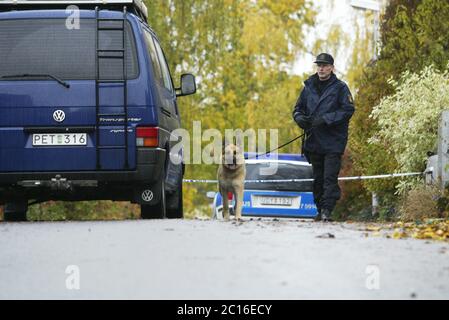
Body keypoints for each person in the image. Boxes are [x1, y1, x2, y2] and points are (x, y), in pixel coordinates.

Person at [292, 53, 355, 222]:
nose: (321, 68)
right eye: (319, 65)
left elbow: (348, 110)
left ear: (332, 68)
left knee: (329, 177)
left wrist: (326, 119)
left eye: (325, 65)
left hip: (333, 141)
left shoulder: (341, 88)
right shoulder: (308, 87)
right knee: (318, 178)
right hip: (314, 140)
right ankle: (319, 209)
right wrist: (300, 118)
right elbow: (298, 109)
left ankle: (327, 209)